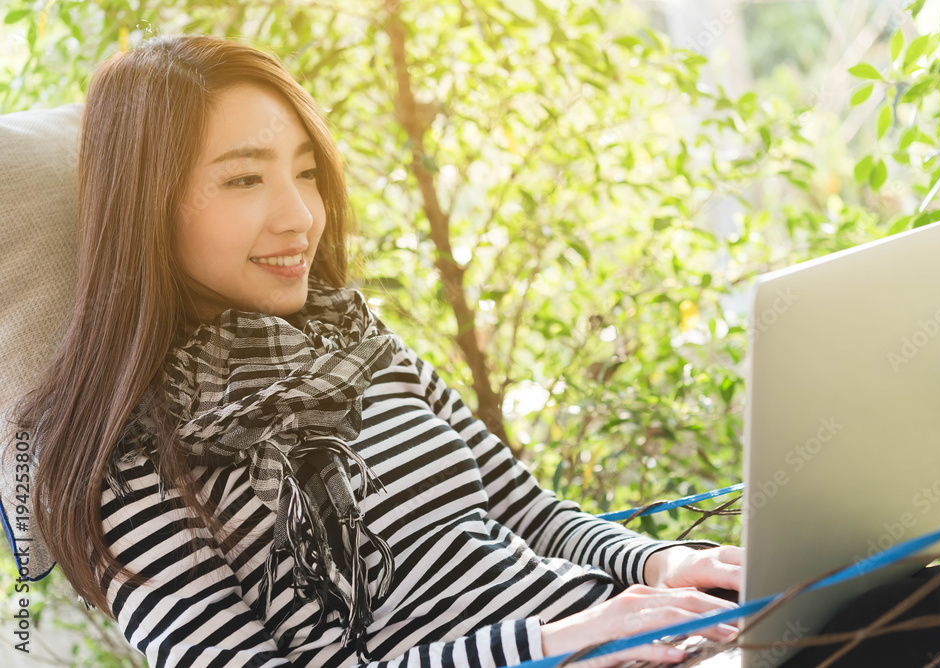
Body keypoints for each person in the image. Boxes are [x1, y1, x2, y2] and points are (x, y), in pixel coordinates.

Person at [9, 33, 745, 668]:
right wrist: (552, 643)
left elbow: (530, 515)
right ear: (146, 205)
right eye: (243, 178)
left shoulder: (352, 339)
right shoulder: (129, 458)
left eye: (305, 172)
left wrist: (664, 561)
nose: (301, 217)